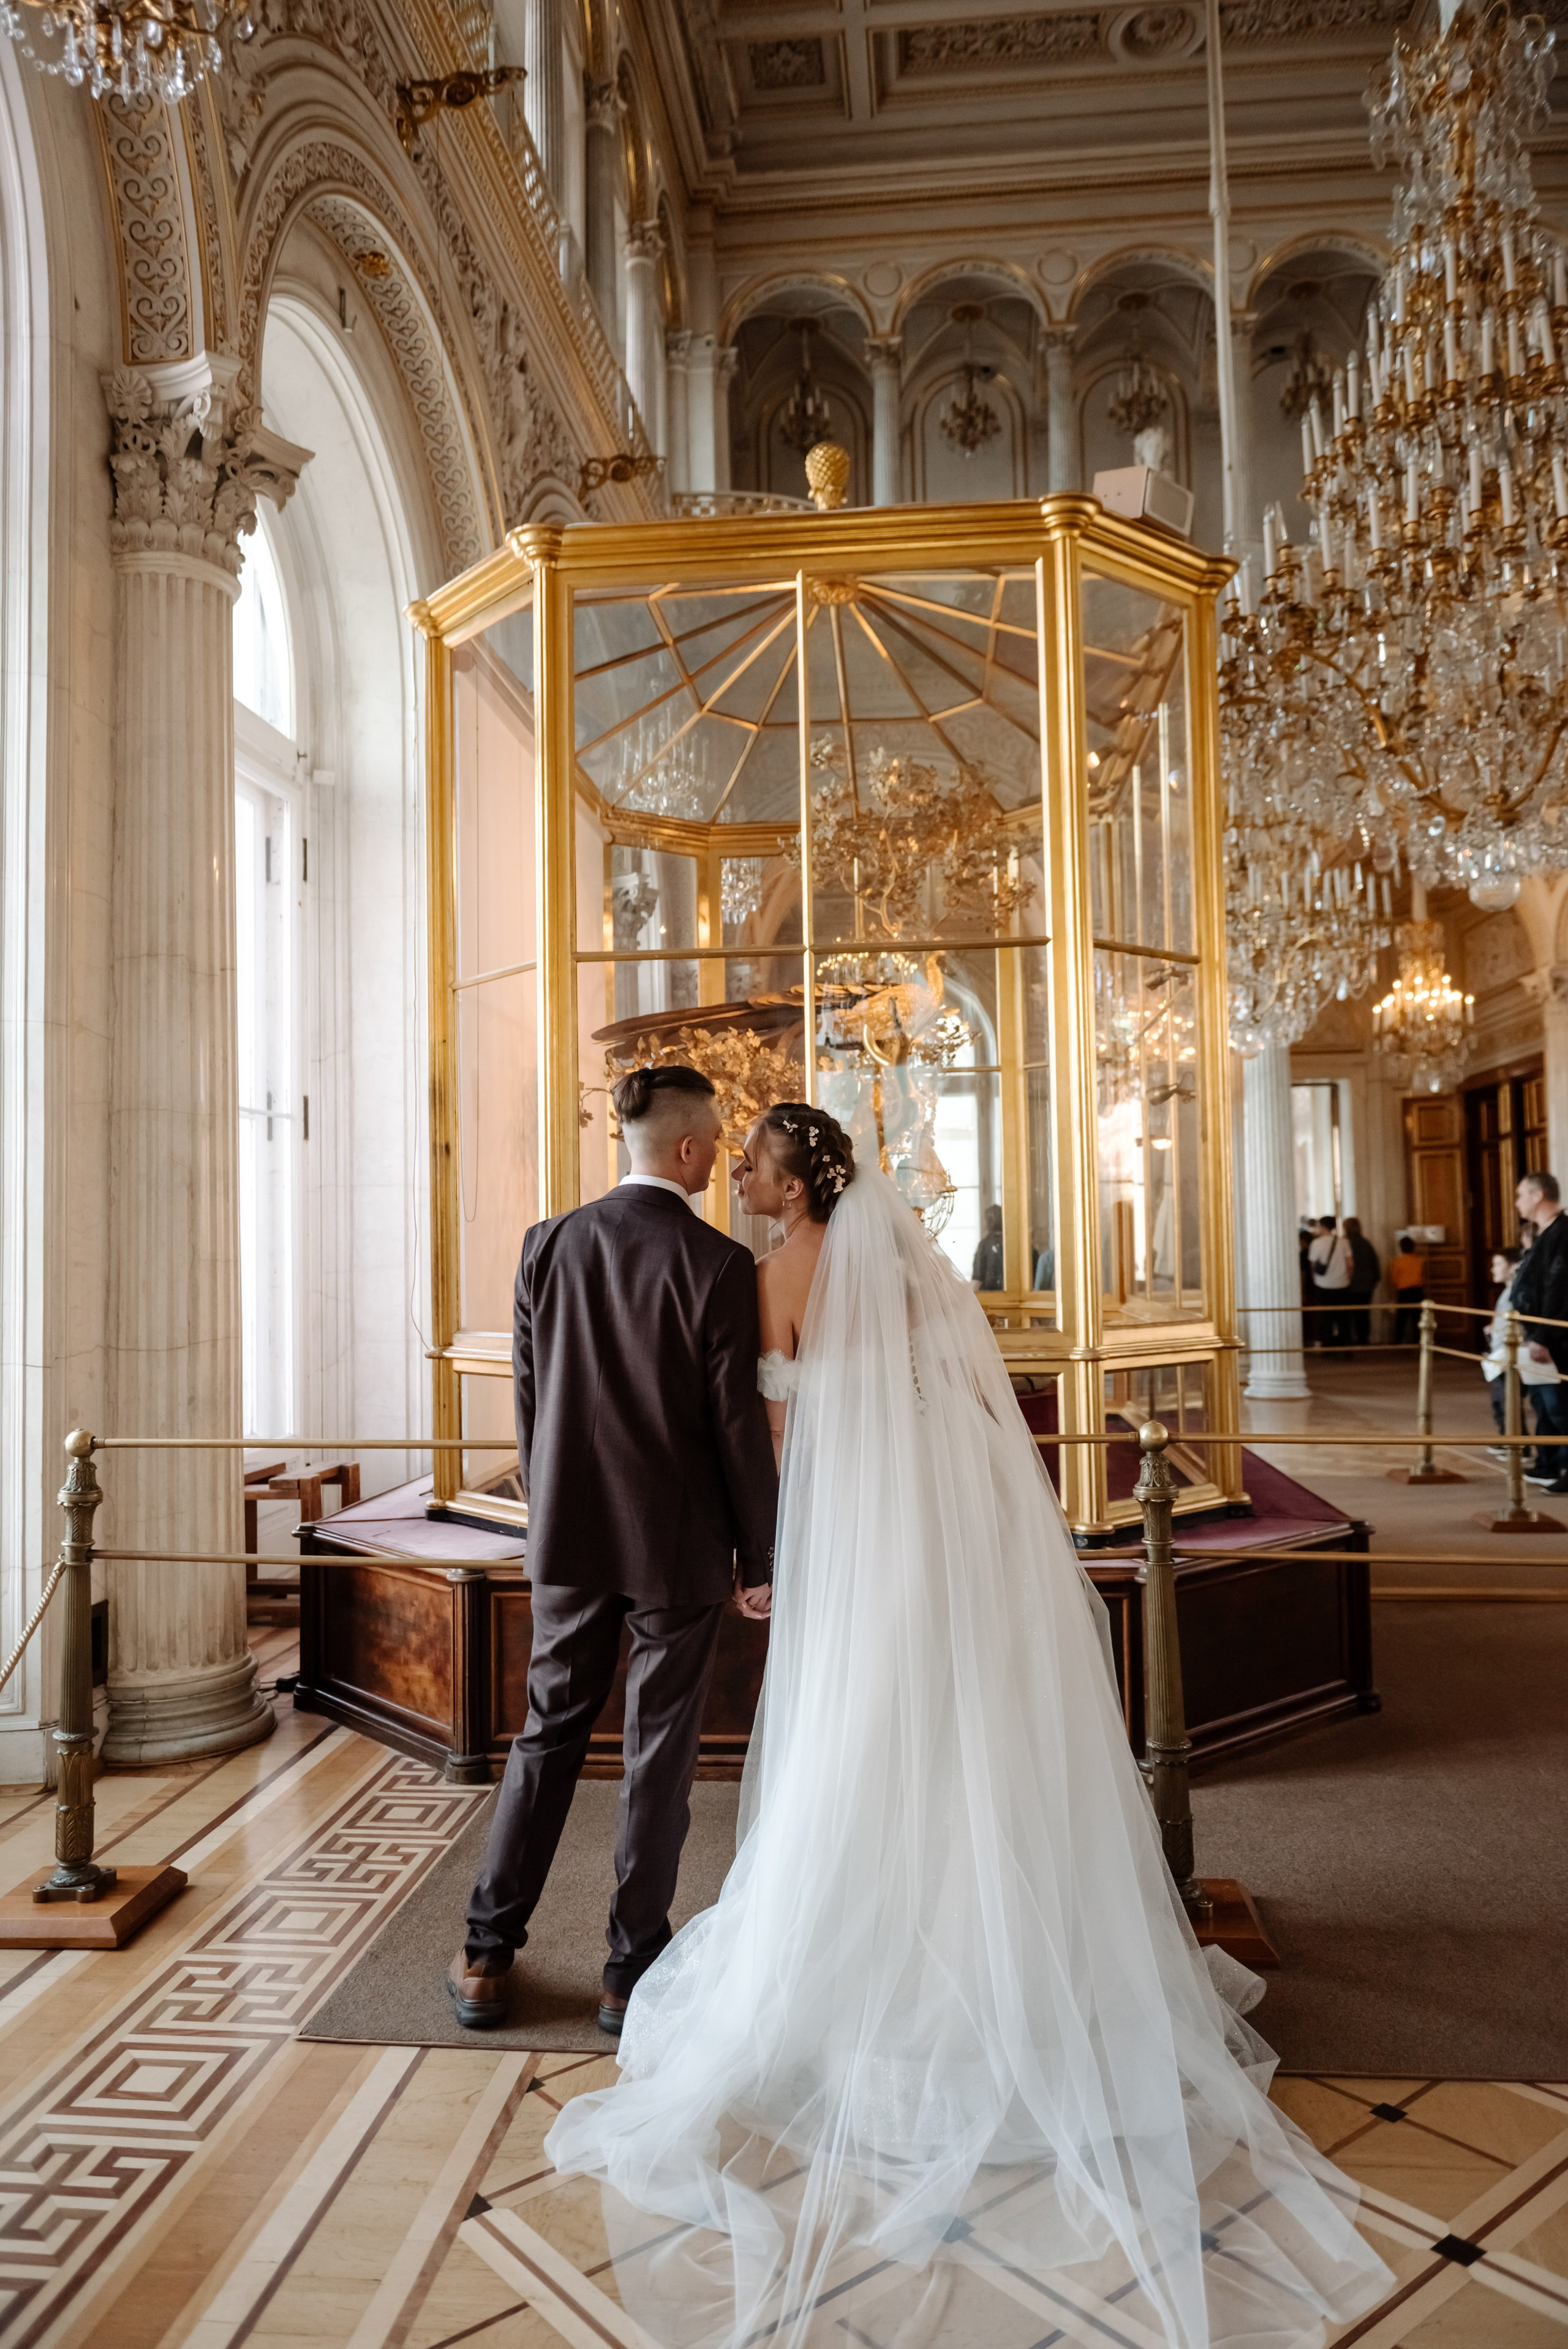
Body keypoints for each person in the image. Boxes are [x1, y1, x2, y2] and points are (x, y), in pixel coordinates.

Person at [546, 1104, 1391, 2349]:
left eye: (755, 1161)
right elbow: (961, 1405)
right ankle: (1018, 1954)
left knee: (859, 1737)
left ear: (789, 1181)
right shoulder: (909, 1262)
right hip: (948, 1537)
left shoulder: (770, 1273)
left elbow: (765, 1428)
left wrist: (755, 1544)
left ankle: (871, 1966)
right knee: (959, 1732)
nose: (739, 1170)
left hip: (844, 1542)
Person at [448, 1064, 778, 2037]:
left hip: (569, 1532)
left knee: (544, 1739)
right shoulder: (718, 1264)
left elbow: (530, 1397)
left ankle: (484, 1955)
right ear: (684, 1149)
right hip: (676, 1545)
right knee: (657, 1757)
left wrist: (547, 1511)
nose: (721, 1154)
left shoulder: (547, 1244)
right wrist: (760, 1555)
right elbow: (735, 1431)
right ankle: (629, 1973)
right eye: (715, 1140)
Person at [1510, 1171, 1568, 1492]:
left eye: (1521, 1195)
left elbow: (1558, 1288)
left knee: (1561, 1406)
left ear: (1538, 1195)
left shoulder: (1562, 1232)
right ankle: (1552, 1465)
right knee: (1548, 1406)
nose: (1517, 1202)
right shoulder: (1546, 1233)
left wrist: (1543, 1336)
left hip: (1553, 1338)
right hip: (1539, 1334)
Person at [1477, 1244, 1557, 1462]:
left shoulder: (1518, 1290)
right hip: (1501, 1350)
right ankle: (1509, 1438)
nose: (1493, 1269)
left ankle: (1519, 1444)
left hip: (1512, 1352)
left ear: (1513, 1266)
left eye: (1498, 1264)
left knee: (1511, 1399)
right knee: (1501, 1399)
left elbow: (1521, 1320)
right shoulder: (1508, 1290)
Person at [1308, 1212, 1352, 1346]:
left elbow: (1313, 1265)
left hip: (1323, 1285)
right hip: (1342, 1284)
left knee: (1325, 1318)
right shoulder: (1343, 1242)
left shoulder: (1317, 1243)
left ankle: (1328, 1347)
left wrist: (1315, 1281)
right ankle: (1345, 1347)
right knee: (1343, 1319)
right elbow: (1350, 1263)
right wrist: (1348, 1279)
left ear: (1322, 1227)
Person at [1341, 1215, 1381, 1345]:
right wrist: (1375, 1280)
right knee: (1363, 1313)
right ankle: (1363, 1339)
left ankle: (1351, 1339)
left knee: (1349, 1314)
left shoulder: (1345, 1243)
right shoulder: (1366, 1243)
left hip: (1350, 1284)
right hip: (1367, 1284)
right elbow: (1375, 1263)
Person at [1389, 1231, 1427, 1344]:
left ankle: (1398, 1341)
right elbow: (1423, 1276)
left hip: (1404, 1292)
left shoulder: (1398, 1262)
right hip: (1417, 1292)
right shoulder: (1419, 1261)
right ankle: (1418, 1341)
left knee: (1401, 1319)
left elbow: (1394, 1279)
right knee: (1417, 1318)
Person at [970, 1199, 1005, 1290]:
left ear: (989, 1222)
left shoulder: (984, 1245)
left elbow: (977, 1278)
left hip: (989, 1296)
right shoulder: (1011, 1242)